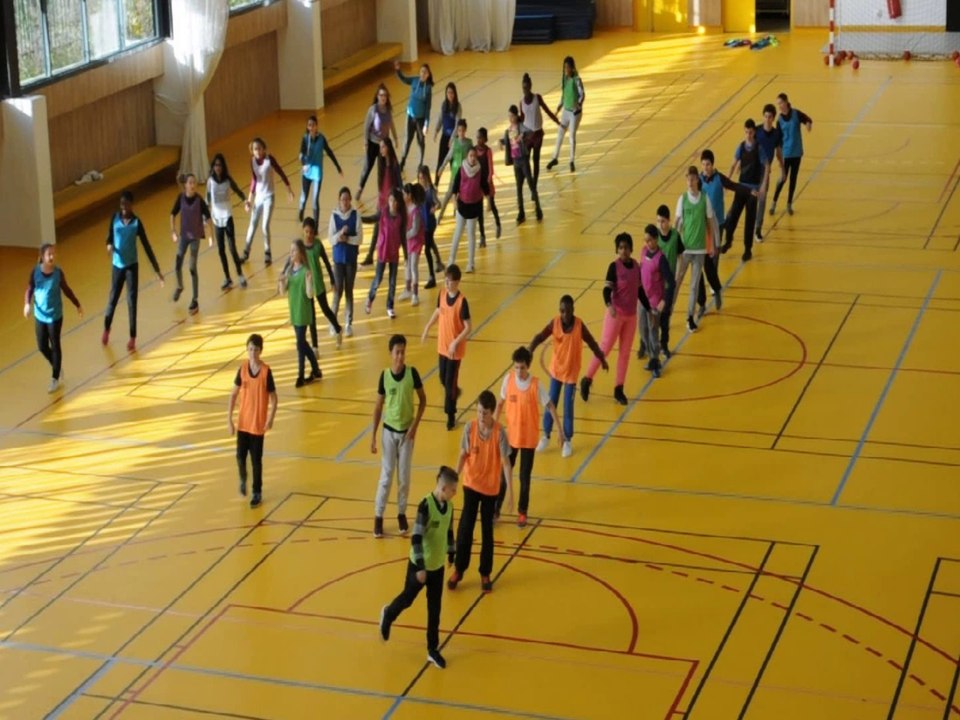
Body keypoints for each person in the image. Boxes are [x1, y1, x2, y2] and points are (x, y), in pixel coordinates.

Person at [379, 466, 458, 670]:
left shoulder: (450, 507)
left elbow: (449, 531)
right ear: (444, 488)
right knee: (408, 598)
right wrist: (421, 567)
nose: (455, 494)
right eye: (453, 490)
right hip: (420, 565)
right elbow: (415, 538)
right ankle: (388, 614)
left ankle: (432, 649)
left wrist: (451, 553)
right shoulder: (425, 506)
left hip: (437, 566)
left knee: (435, 609)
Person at [448, 390, 513, 593]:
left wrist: (511, 492)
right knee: (465, 528)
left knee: (487, 531)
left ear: (492, 412)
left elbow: (506, 464)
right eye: (478, 411)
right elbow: (463, 455)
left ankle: (485, 573)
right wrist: (454, 479)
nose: (480, 416)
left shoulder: (500, 433)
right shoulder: (470, 427)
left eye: (484, 413)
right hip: (471, 485)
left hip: (490, 490)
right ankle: (459, 569)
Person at [529, 295, 606, 457]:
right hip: (557, 370)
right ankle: (546, 435)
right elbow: (540, 336)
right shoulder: (554, 323)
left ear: (573, 310)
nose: (565, 314)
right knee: (551, 402)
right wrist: (530, 349)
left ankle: (567, 440)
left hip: (571, 373)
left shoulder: (579, 325)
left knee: (568, 407)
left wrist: (602, 358)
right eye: (562, 311)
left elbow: (592, 342)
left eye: (568, 311)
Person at [495, 347, 562, 527]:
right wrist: (493, 427)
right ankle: (495, 509)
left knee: (524, 477)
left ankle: (522, 512)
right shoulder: (508, 380)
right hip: (511, 438)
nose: (519, 371)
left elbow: (550, 406)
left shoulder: (536, 385)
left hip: (528, 440)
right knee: (503, 475)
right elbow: (500, 404)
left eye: (522, 368)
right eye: (516, 367)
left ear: (528, 366)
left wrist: (559, 430)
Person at [370, 334, 427, 538]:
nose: (401, 356)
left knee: (404, 477)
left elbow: (423, 400)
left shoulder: (412, 373)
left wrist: (415, 426)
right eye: (397, 352)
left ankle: (401, 512)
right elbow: (378, 407)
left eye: (403, 352)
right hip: (389, 432)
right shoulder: (384, 376)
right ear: (391, 353)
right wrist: (373, 436)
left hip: (406, 434)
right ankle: (378, 516)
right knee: (386, 476)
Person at [580, 232, 643, 406]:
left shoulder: (636, 267)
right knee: (605, 348)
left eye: (626, 247)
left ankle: (619, 388)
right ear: (617, 249)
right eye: (620, 248)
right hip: (615, 314)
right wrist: (609, 305)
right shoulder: (613, 267)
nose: (623, 251)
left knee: (625, 353)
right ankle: (587, 379)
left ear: (631, 249)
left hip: (631, 316)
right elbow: (606, 290)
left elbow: (640, 291)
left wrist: (650, 307)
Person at [102, 190, 163, 352]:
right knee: (113, 299)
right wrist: (109, 245)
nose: (123, 207)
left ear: (131, 205)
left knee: (131, 301)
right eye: (121, 204)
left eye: (126, 204)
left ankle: (132, 337)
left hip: (131, 267)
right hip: (117, 266)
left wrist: (157, 270)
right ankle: (106, 328)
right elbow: (109, 238)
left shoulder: (137, 223)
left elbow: (146, 246)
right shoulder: (114, 218)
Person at [23, 243, 83, 393]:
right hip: (40, 315)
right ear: (42, 257)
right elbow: (30, 289)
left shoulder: (58, 273)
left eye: (53, 254)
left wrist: (77, 304)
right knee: (42, 346)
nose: (52, 257)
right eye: (49, 254)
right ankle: (56, 364)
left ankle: (55, 377)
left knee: (55, 345)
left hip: (55, 316)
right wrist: (27, 304)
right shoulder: (35, 272)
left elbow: (66, 290)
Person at [227, 333, 278, 509]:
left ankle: (257, 492)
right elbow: (233, 395)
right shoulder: (242, 369)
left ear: (260, 351)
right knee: (240, 456)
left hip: (257, 425)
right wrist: (229, 419)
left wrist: (270, 418)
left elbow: (274, 398)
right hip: (243, 423)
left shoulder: (266, 372)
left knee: (256, 460)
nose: (252, 353)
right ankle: (243, 477)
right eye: (250, 349)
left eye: (256, 350)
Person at [421, 264, 471, 431]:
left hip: (454, 351)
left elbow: (468, 327)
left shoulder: (462, 302)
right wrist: (427, 327)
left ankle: (451, 415)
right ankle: (454, 391)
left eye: (450, 282)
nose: (447, 284)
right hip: (442, 346)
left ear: (457, 282)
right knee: (442, 378)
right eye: (446, 281)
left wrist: (456, 342)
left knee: (449, 383)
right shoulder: (442, 294)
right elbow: (438, 311)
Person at [675, 167, 722, 333]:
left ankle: (690, 317)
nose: (690, 182)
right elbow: (677, 223)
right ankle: (667, 313)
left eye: (692, 179)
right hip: (686, 249)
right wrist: (675, 244)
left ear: (697, 180)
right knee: (679, 282)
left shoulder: (704, 199)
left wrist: (712, 245)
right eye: (688, 179)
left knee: (696, 284)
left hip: (701, 249)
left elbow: (710, 223)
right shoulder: (683, 199)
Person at [290, 217, 341, 352]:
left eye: (311, 232)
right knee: (311, 316)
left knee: (325, 310)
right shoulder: (300, 247)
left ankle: (338, 329)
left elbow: (326, 262)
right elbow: (293, 261)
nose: (308, 235)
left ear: (314, 232)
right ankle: (315, 346)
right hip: (306, 285)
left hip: (318, 283)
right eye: (306, 232)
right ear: (303, 231)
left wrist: (332, 280)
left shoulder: (318, 245)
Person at [722, 119, 769, 262]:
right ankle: (728, 241)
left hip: (753, 190)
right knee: (732, 217)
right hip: (741, 188)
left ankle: (748, 249)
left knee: (749, 221)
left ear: (754, 132)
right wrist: (726, 183)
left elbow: (767, 166)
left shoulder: (759, 148)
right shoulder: (741, 147)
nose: (748, 135)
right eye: (746, 132)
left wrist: (763, 186)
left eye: (751, 132)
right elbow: (733, 165)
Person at [243, 137, 294, 266]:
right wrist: (249, 200)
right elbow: (254, 180)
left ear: (264, 149)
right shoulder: (252, 161)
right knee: (252, 224)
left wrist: (289, 189)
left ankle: (267, 252)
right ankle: (246, 251)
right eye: (255, 149)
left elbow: (280, 172)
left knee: (265, 225)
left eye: (259, 148)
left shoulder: (269, 160)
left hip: (269, 196)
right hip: (258, 197)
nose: (257, 151)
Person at [279, 239, 322, 388]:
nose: (291, 253)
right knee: (302, 343)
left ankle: (300, 375)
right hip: (294, 312)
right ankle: (316, 370)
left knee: (300, 344)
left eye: (294, 250)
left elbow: (310, 294)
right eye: (290, 250)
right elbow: (283, 292)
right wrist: (281, 281)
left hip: (303, 312)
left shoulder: (306, 271)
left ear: (300, 253)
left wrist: (309, 281)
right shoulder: (290, 271)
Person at [170, 173, 213, 316]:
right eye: (190, 183)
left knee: (192, 267)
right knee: (178, 262)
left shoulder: (199, 200)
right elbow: (172, 214)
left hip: (195, 237)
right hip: (184, 237)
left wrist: (210, 236)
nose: (193, 185)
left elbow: (208, 218)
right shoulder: (180, 198)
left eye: (194, 182)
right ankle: (179, 286)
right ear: (186, 185)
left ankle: (195, 299)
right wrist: (173, 231)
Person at [639, 224, 676, 379]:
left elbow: (671, 282)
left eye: (650, 240)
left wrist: (664, 301)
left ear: (656, 239)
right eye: (645, 240)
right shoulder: (643, 252)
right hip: (642, 299)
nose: (647, 243)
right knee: (643, 329)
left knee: (653, 331)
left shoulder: (661, 259)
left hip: (654, 301)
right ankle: (651, 356)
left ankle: (655, 362)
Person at [206, 154, 247, 290]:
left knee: (232, 248)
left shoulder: (227, 180)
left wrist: (245, 200)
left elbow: (237, 190)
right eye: (215, 165)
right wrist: (205, 214)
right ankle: (227, 278)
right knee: (221, 250)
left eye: (220, 165)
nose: (218, 168)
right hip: (217, 220)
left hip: (227, 217)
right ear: (213, 167)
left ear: (223, 167)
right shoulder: (210, 181)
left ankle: (240, 275)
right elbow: (207, 198)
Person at [647, 205, 683, 358]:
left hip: (668, 284)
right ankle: (648, 345)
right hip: (656, 285)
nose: (660, 224)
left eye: (662, 221)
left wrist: (678, 274)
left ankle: (664, 345)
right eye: (658, 221)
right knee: (653, 318)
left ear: (668, 221)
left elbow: (680, 256)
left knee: (665, 317)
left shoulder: (675, 236)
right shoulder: (654, 238)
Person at [361, 138, 403, 267]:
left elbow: (399, 184)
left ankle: (385, 254)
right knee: (377, 229)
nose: (381, 150)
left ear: (388, 147)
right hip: (382, 201)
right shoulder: (381, 163)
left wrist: (398, 200)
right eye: (380, 147)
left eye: (383, 147)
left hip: (390, 202)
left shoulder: (394, 164)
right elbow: (382, 185)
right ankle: (370, 255)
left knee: (389, 230)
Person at [447, 146, 489, 273]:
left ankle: (471, 263)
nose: (472, 158)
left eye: (474, 156)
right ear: (467, 157)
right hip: (462, 206)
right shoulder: (461, 169)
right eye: (470, 156)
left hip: (474, 206)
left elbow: (485, 187)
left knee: (471, 235)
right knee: (458, 233)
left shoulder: (480, 171)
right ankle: (451, 260)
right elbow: (455, 187)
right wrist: (454, 202)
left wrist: (489, 202)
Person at [365, 188, 405, 319]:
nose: (393, 203)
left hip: (394, 252)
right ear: (388, 201)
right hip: (383, 250)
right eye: (391, 200)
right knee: (378, 279)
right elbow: (372, 218)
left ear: (398, 203)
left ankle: (390, 306)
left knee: (392, 281)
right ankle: (370, 298)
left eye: (395, 201)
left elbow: (403, 236)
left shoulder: (400, 217)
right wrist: (360, 218)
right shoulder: (382, 213)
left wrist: (406, 254)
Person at [771, 92, 812, 216]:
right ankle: (774, 202)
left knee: (793, 179)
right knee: (783, 178)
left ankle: (789, 204)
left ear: (786, 102)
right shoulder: (779, 120)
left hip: (797, 152)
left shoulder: (796, 114)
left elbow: (807, 119)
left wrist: (808, 125)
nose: (779, 106)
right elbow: (778, 139)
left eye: (781, 103)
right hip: (786, 153)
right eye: (778, 104)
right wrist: (778, 155)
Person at [328, 187, 362, 338]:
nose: (345, 202)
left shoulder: (355, 215)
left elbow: (359, 238)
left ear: (350, 200)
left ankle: (348, 324)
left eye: (348, 199)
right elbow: (331, 239)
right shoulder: (334, 216)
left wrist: (348, 239)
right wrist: (339, 237)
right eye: (343, 199)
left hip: (351, 259)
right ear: (339, 200)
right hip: (338, 260)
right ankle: (333, 323)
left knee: (349, 291)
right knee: (338, 292)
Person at [500, 105, 542, 224]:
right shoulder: (508, 130)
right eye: (509, 116)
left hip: (523, 160)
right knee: (519, 188)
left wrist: (522, 136)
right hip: (516, 161)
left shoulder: (521, 126)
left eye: (512, 116)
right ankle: (521, 212)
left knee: (530, 184)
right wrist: (500, 141)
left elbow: (530, 132)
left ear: (516, 116)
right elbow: (507, 140)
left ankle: (538, 209)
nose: (510, 118)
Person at [298, 115, 343, 223]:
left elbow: (329, 152)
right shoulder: (305, 139)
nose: (311, 127)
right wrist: (304, 164)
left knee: (315, 200)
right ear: (307, 127)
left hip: (317, 174)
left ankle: (316, 225)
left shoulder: (321, 139)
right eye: (309, 125)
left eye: (313, 125)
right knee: (304, 197)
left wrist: (338, 167)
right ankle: (301, 210)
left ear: (317, 126)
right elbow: (301, 154)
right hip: (307, 173)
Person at [357, 84, 398, 201]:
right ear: (377, 96)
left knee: (382, 170)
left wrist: (396, 138)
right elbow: (366, 126)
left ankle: (382, 192)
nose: (383, 97)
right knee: (367, 167)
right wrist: (365, 142)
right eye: (381, 95)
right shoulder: (373, 110)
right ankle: (360, 188)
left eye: (385, 95)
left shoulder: (388, 110)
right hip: (372, 143)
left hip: (383, 145)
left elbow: (391, 124)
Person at [519, 72, 559, 188]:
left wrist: (557, 121)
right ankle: (530, 183)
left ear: (530, 86)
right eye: (523, 88)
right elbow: (522, 119)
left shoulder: (537, 98)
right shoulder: (521, 103)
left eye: (527, 87)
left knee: (535, 160)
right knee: (526, 161)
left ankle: (534, 185)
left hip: (537, 135)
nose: (525, 90)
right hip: (527, 135)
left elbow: (547, 111)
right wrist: (514, 131)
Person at [546, 56, 585, 173]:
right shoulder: (564, 78)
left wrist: (578, 104)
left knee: (571, 135)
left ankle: (571, 161)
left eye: (568, 67)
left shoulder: (577, 80)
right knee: (560, 134)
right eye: (564, 67)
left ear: (572, 68)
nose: (566, 70)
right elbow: (563, 95)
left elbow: (582, 94)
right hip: (566, 111)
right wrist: (558, 108)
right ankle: (555, 158)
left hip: (574, 113)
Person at [395, 61, 433, 174]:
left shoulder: (428, 88)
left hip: (420, 120)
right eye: (422, 71)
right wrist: (398, 70)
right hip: (410, 117)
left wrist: (426, 124)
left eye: (425, 72)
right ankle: (402, 162)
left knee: (421, 142)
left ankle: (420, 163)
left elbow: (428, 108)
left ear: (428, 75)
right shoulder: (414, 80)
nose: (423, 74)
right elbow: (404, 79)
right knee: (407, 140)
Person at [754, 103, 783, 241]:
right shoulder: (756, 131)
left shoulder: (776, 134)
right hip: (753, 169)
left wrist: (782, 168)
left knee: (762, 199)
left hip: (765, 171)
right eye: (765, 116)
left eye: (770, 117)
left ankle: (757, 229)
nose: (767, 119)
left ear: (773, 118)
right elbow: (748, 146)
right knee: (747, 198)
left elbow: (778, 153)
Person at [436, 119, 473, 222]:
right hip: (455, 172)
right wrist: (442, 167)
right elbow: (448, 156)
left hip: (465, 173)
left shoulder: (469, 143)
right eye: (459, 130)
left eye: (463, 130)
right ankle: (440, 214)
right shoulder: (455, 143)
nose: (461, 133)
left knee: (462, 195)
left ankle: (457, 212)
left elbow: (472, 157)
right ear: (457, 131)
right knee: (449, 193)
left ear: (465, 130)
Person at [473, 127, 501, 245]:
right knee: (479, 212)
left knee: (492, 205)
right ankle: (482, 236)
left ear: (485, 139)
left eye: (480, 138)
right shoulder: (474, 150)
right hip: (478, 183)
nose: (478, 139)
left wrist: (488, 183)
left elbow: (491, 169)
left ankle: (498, 224)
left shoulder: (488, 151)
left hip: (487, 183)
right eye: (477, 137)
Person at [417, 165, 444, 289]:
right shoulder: (419, 190)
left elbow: (438, 203)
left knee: (427, 249)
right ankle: (439, 262)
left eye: (423, 178)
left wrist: (435, 208)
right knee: (430, 242)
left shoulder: (430, 191)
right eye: (419, 178)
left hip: (430, 223)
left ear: (427, 177)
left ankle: (432, 277)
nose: (421, 180)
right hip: (423, 223)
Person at [399, 183, 425, 306]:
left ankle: (415, 294)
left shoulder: (416, 211)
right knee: (407, 265)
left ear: (409, 195)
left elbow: (415, 230)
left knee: (413, 265)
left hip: (416, 241)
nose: (402, 196)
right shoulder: (404, 209)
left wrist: (404, 235)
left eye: (404, 194)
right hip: (408, 241)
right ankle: (407, 289)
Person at [432, 82, 461, 185]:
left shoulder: (458, 107)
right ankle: (436, 184)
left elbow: (457, 125)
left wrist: (452, 139)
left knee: (454, 163)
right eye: (448, 92)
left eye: (452, 92)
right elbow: (440, 119)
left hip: (453, 139)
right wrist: (436, 130)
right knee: (440, 161)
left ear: (455, 93)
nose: (450, 95)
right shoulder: (444, 105)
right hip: (444, 137)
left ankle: (455, 186)